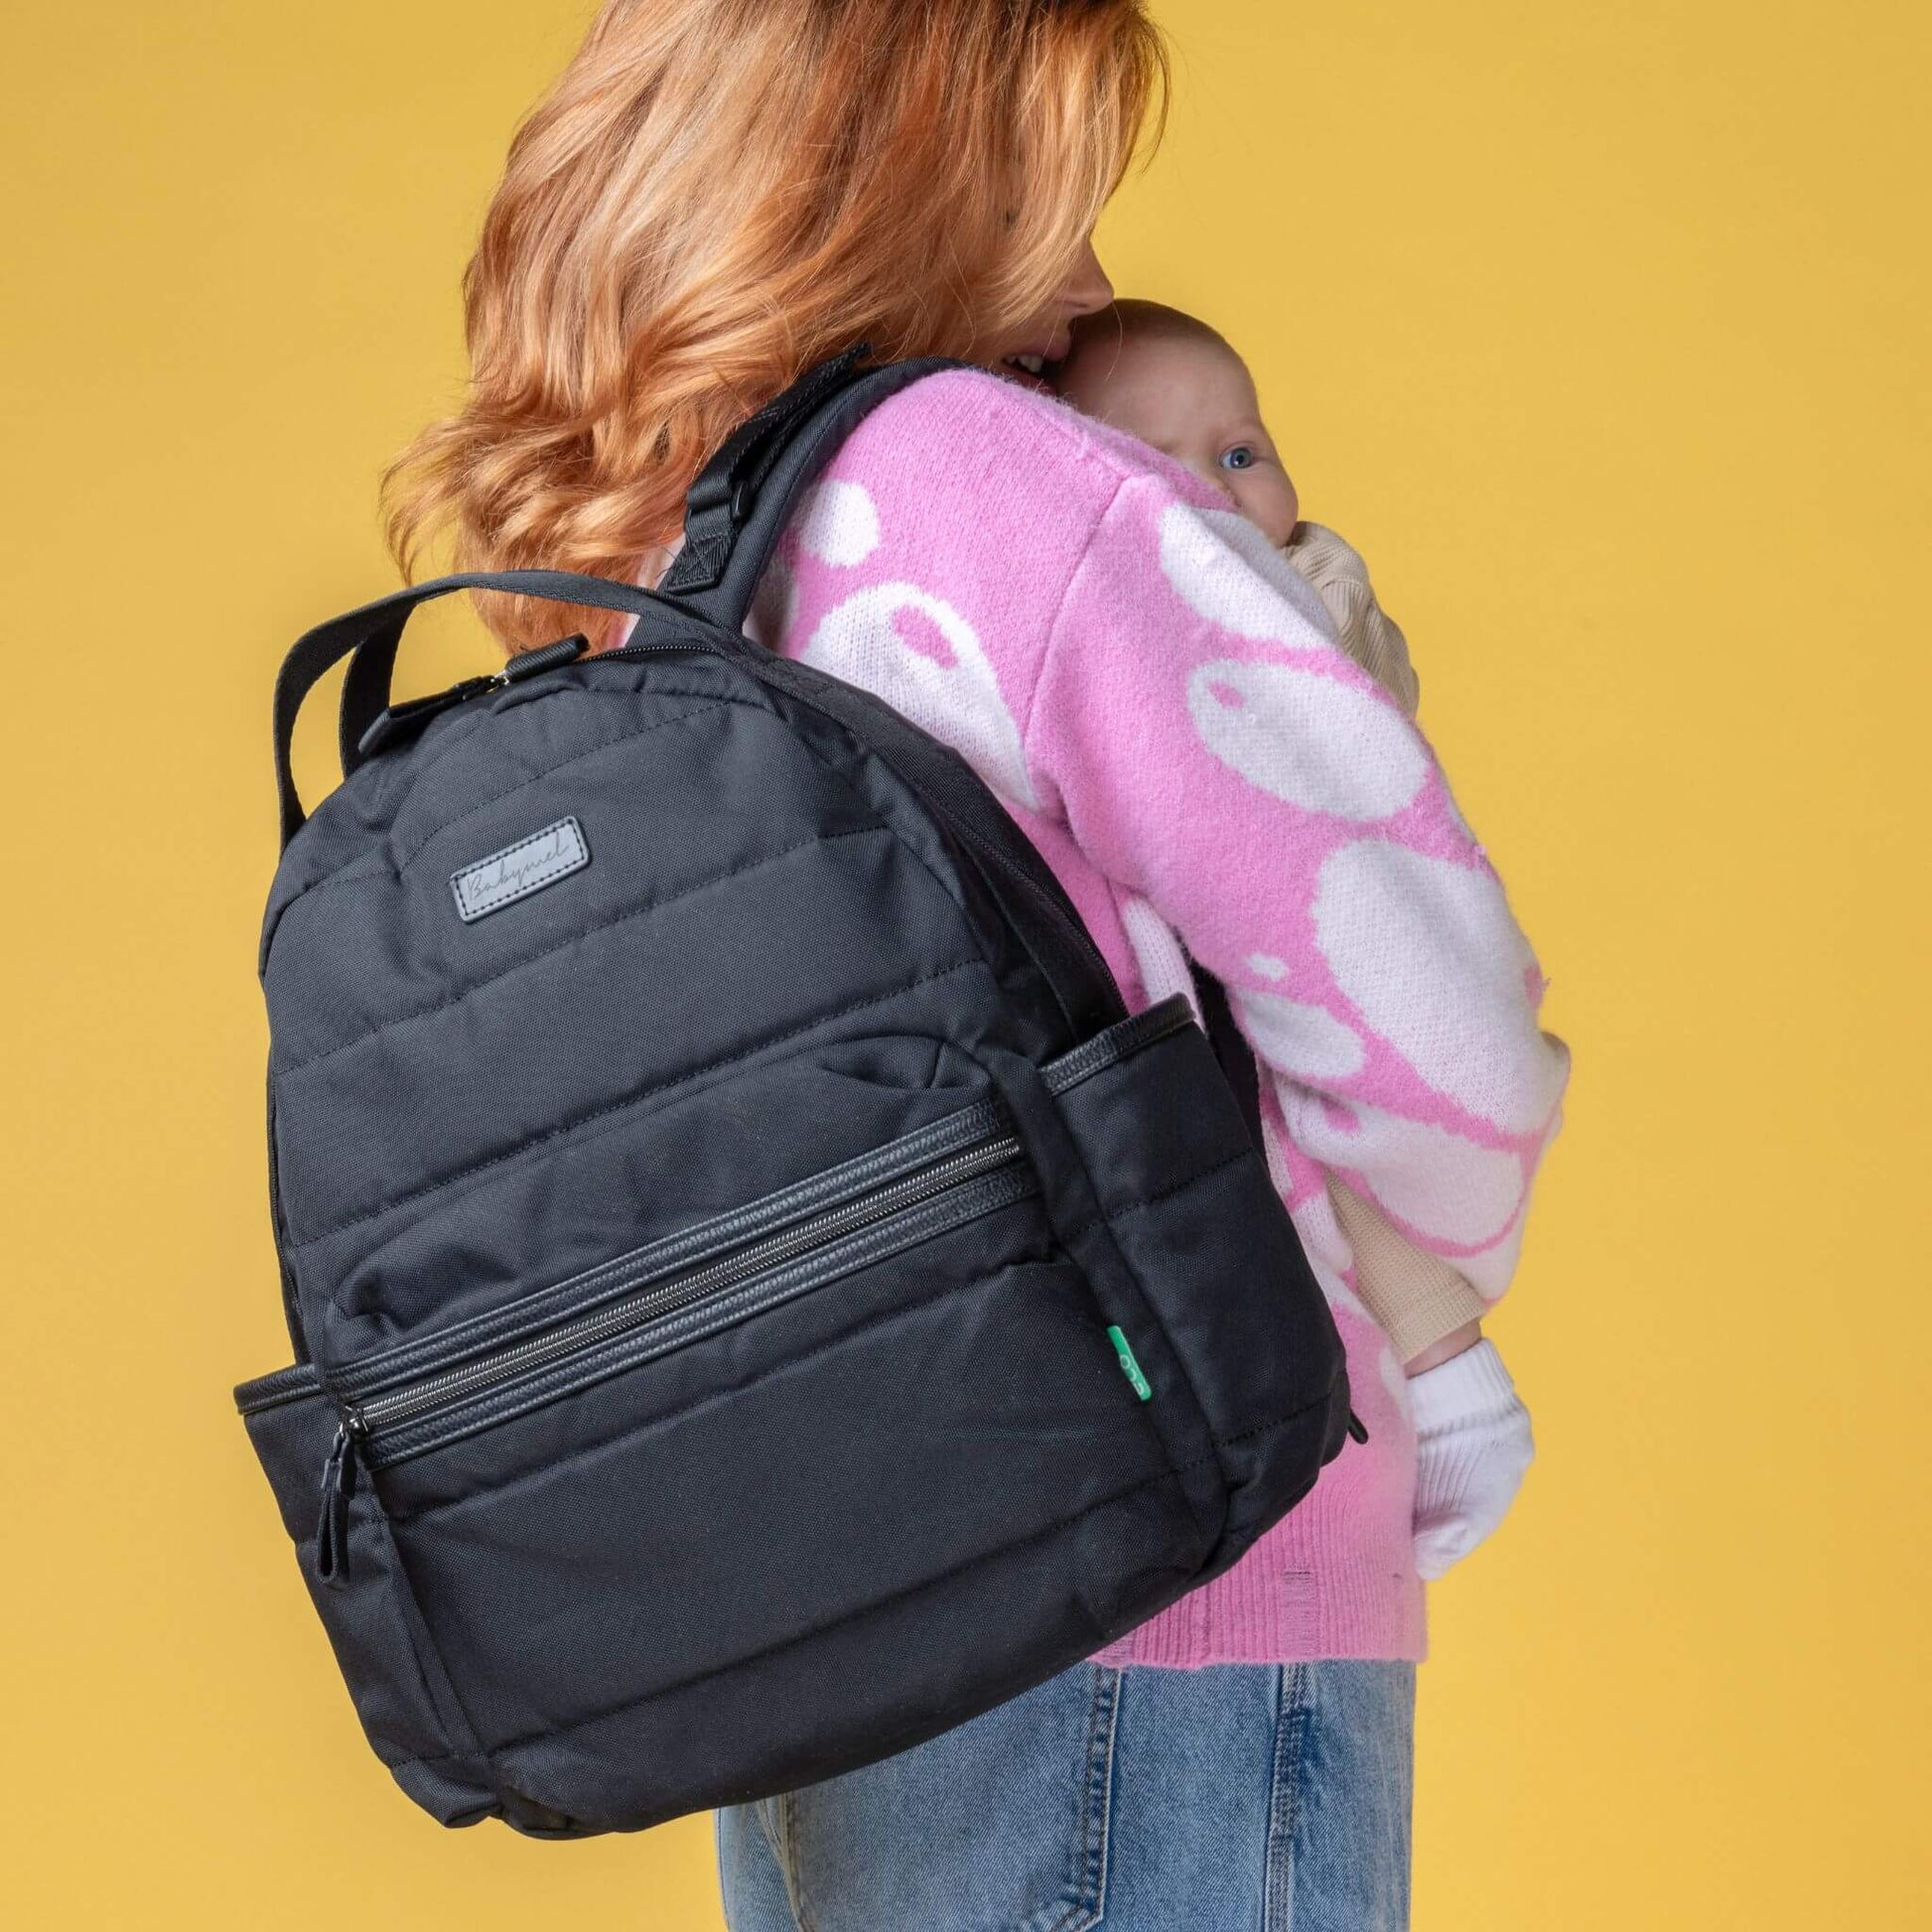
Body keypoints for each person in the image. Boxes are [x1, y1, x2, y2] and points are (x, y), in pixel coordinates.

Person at [382, 3, 1569, 1925]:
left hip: (810, 1601)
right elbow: (1435, 1027)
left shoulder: (650, 557)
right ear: (908, 195)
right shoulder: (990, 476)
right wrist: (1412, 1299)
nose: (1092, 285)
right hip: (1163, 1571)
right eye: (1050, 205)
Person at [1058, 297, 1542, 1584]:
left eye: (1239, 449)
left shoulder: (1306, 583)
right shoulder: (1082, 591)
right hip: (1175, 988)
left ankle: (1449, 1379)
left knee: (1342, 1160)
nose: (1214, 492)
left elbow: (1345, 766)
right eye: (1158, 461)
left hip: (1313, 951)